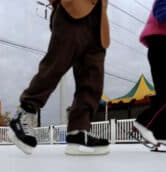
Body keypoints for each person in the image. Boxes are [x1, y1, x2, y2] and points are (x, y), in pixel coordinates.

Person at [8, 0, 110, 155]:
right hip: (73, 9)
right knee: (56, 64)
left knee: (93, 80)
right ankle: (24, 113)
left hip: (100, 21)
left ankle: (78, 131)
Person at [133, 0, 166, 146]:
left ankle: (160, 133)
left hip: (159, 46)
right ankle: (144, 123)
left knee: (163, 95)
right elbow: (161, 13)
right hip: (160, 45)